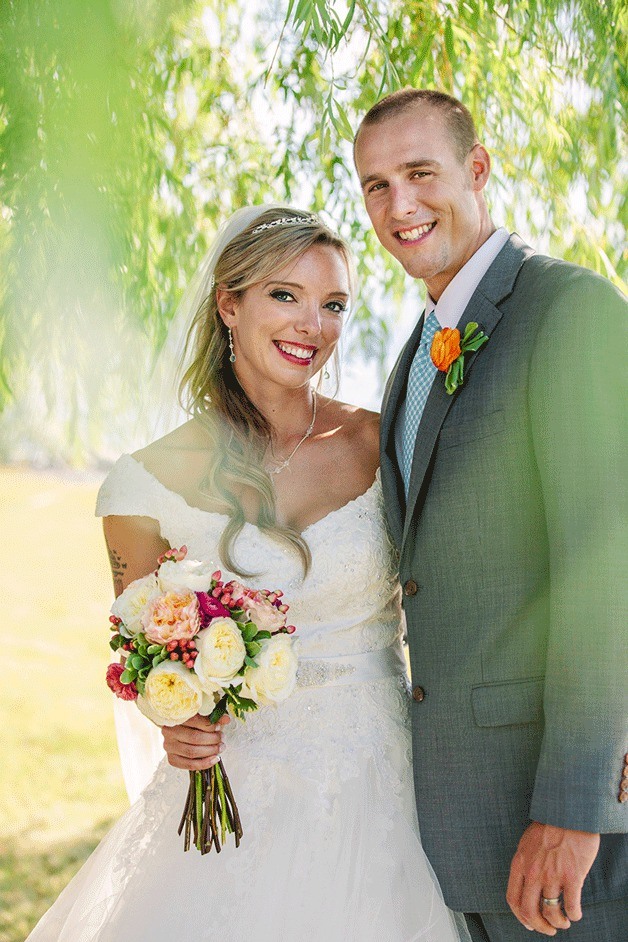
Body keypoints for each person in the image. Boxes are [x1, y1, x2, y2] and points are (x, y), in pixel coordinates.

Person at [25, 205, 466, 942]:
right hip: (232, 797)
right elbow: (145, 658)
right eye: (284, 296)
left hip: (386, 789)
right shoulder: (143, 487)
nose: (313, 327)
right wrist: (175, 723)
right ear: (230, 304)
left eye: (332, 306)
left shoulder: (382, 440)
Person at [353, 88, 628, 942]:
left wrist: (574, 810)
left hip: (560, 842)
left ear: (478, 170)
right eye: (374, 185)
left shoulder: (571, 313)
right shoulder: (414, 356)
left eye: (420, 172)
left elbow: (605, 571)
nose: (399, 205)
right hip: (462, 829)